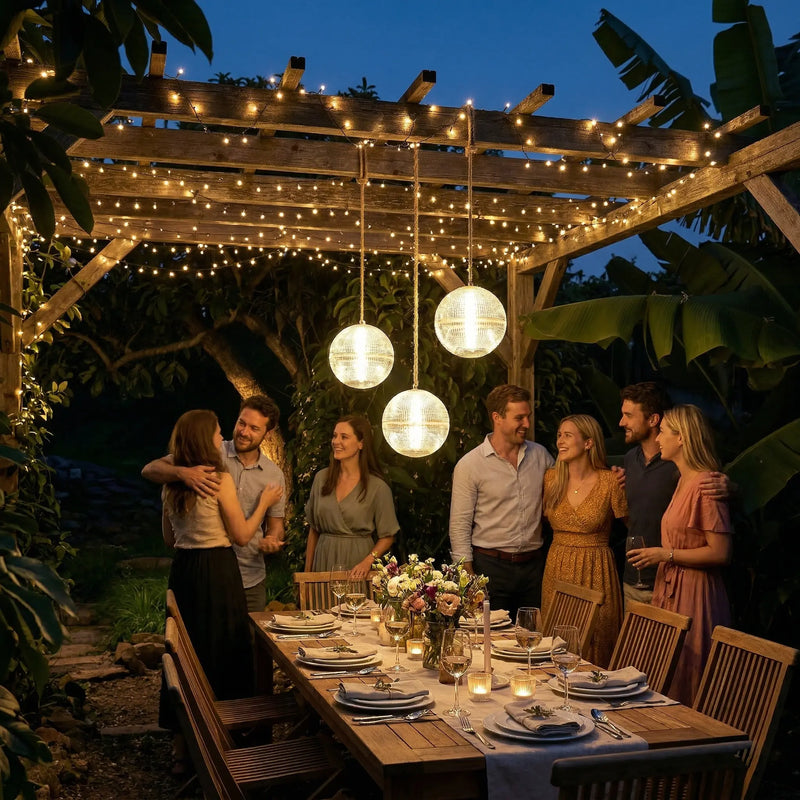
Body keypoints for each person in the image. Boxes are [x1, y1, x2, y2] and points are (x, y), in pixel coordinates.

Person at [159, 409, 281, 708]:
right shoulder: (219, 479)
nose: (222, 437)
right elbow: (241, 535)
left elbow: (169, 539)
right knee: (225, 648)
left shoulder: (171, 483)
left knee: (187, 649)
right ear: (204, 439)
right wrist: (264, 503)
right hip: (218, 571)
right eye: (217, 433)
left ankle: (186, 729)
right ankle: (228, 722)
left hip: (184, 571)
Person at [627, 404, 732, 705]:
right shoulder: (682, 480)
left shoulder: (705, 483)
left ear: (682, 437)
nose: (658, 438)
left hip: (696, 593)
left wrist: (666, 554)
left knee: (690, 673)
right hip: (671, 588)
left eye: (663, 432)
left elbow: (721, 552)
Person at [143, 395, 285, 613]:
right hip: (214, 570)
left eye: (254, 428)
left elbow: (275, 524)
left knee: (245, 641)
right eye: (241, 423)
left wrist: (273, 539)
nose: (244, 432)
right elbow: (150, 469)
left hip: (249, 575)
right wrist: (183, 473)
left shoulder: (274, 474)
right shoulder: (207, 452)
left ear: (269, 432)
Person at [618, 382, 730, 611]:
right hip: (651, 580)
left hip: (684, 586)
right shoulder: (631, 461)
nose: (621, 422)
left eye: (628, 415)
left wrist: (731, 487)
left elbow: (720, 549)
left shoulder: (696, 479)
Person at [449, 384, 554, 620]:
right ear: (497, 418)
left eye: (528, 416)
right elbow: (459, 525)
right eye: (519, 418)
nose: (526, 424)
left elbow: (571, 486)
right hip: (490, 568)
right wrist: (468, 577)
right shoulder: (470, 465)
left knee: (531, 641)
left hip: (534, 568)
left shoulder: (541, 456)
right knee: (489, 638)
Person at [541, 414, 627, 667]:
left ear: (588, 443)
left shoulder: (611, 480)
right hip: (557, 566)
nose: (560, 441)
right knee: (556, 640)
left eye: (568, 435)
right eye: (559, 435)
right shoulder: (551, 479)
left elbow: (635, 524)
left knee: (597, 639)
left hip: (595, 568)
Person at [304, 414, 399, 579]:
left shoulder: (377, 487)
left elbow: (388, 536)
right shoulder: (321, 479)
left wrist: (368, 561)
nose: (336, 441)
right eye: (334, 436)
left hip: (358, 565)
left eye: (344, 437)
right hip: (323, 562)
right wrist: (305, 576)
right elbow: (314, 530)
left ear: (361, 443)